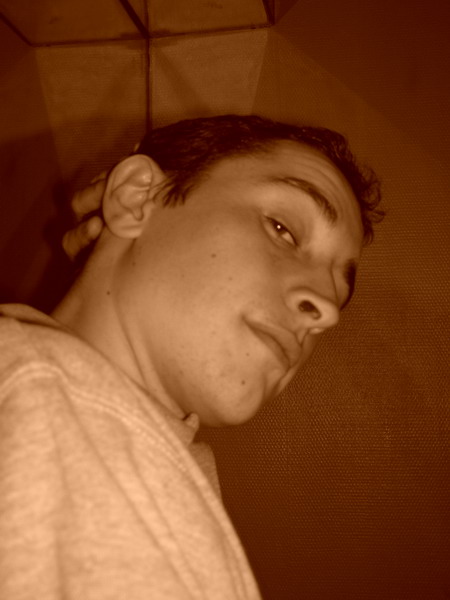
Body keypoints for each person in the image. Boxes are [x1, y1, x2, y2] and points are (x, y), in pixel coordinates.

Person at [0, 115, 383, 598]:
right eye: (283, 229)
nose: (326, 310)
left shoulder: (120, 442)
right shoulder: (32, 402)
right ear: (137, 198)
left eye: (338, 293)